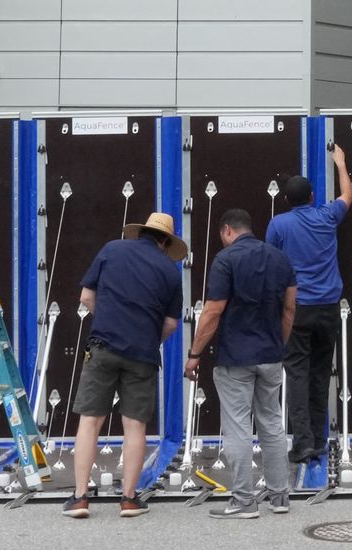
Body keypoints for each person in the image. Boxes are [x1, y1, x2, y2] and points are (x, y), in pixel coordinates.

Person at [63, 211, 186, 519]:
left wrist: (107, 321)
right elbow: (171, 323)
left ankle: (79, 498)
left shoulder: (111, 249)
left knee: (90, 421)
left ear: (141, 232)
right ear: (165, 242)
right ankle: (129, 500)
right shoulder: (171, 271)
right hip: (142, 354)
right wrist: (147, 337)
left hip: (103, 346)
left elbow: (86, 297)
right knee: (135, 426)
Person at [185, 208, 297, 519]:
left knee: (237, 428)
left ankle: (244, 501)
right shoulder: (280, 259)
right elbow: (289, 309)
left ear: (226, 231)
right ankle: (280, 496)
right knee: (273, 425)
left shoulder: (226, 260)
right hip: (271, 355)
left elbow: (212, 312)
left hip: (236, 357)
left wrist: (195, 353)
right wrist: (279, 344)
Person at [266, 143, 352, 465]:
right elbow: (347, 196)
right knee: (320, 373)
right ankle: (319, 440)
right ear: (313, 196)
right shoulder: (327, 216)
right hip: (328, 307)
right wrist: (340, 163)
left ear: (287, 201)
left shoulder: (279, 225)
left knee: (297, 374)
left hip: (297, 309)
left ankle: (302, 444)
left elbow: (271, 262)